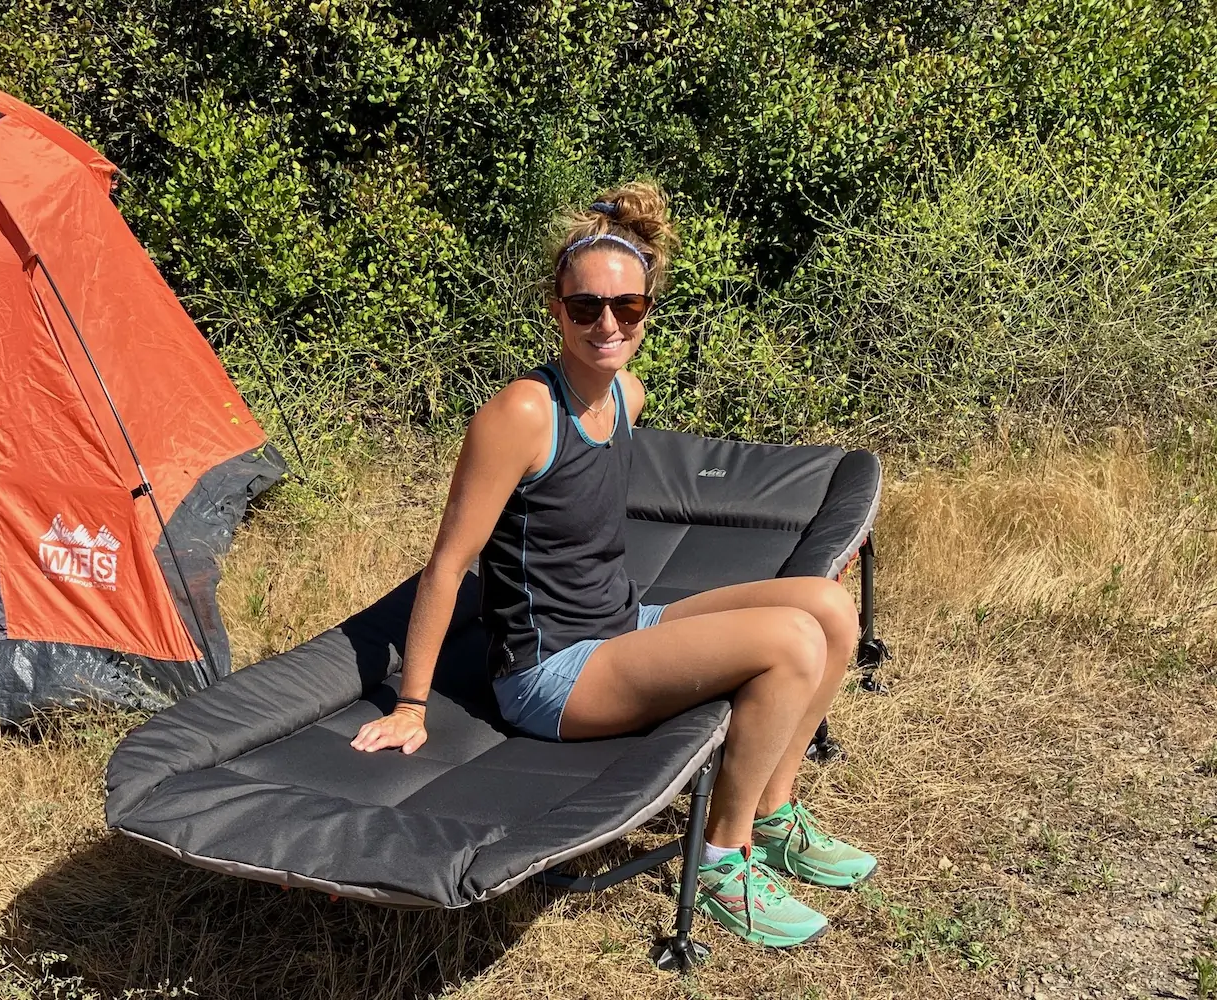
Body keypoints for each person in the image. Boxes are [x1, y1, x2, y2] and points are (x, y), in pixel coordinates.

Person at [350, 181, 875, 948]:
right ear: (555, 309)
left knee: (827, 607)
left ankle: (773, 812)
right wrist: (411, 704)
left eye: (626, 308)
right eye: (585, 306)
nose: (606, 323)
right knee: (790, 641)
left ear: (646, 312)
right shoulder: (523, 412)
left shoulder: (626, 393)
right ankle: (721, 859)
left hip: (623, 624)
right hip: (551, 673)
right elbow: (447, 563)